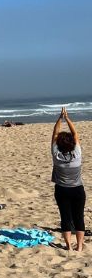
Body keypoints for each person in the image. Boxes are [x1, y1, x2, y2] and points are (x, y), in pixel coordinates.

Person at [51, 107, 84, 252]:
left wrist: (60, 118)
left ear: (59, 144)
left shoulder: (56, 156)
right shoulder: (77, 154)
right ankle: (80, 246)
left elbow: (55, 133)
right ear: (71, 144)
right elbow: (75, 134)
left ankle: (69, 246)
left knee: (65, 218)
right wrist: (68, 118)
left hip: (62, 190)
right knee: (79, 218)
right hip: (77, 190)